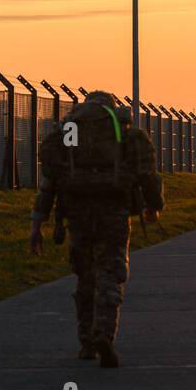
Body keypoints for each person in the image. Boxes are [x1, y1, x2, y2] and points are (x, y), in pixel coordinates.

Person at [29, 91, 164, 368]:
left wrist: (37, 223)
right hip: (113, 212)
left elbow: (50, 182)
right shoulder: (124, 133)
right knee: (110, 273)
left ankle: (86, 343)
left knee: (84, 276)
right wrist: (154, 207)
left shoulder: (70, 132)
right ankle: (104, 333)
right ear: (111, 109)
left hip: (77, 214)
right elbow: (147, 175)